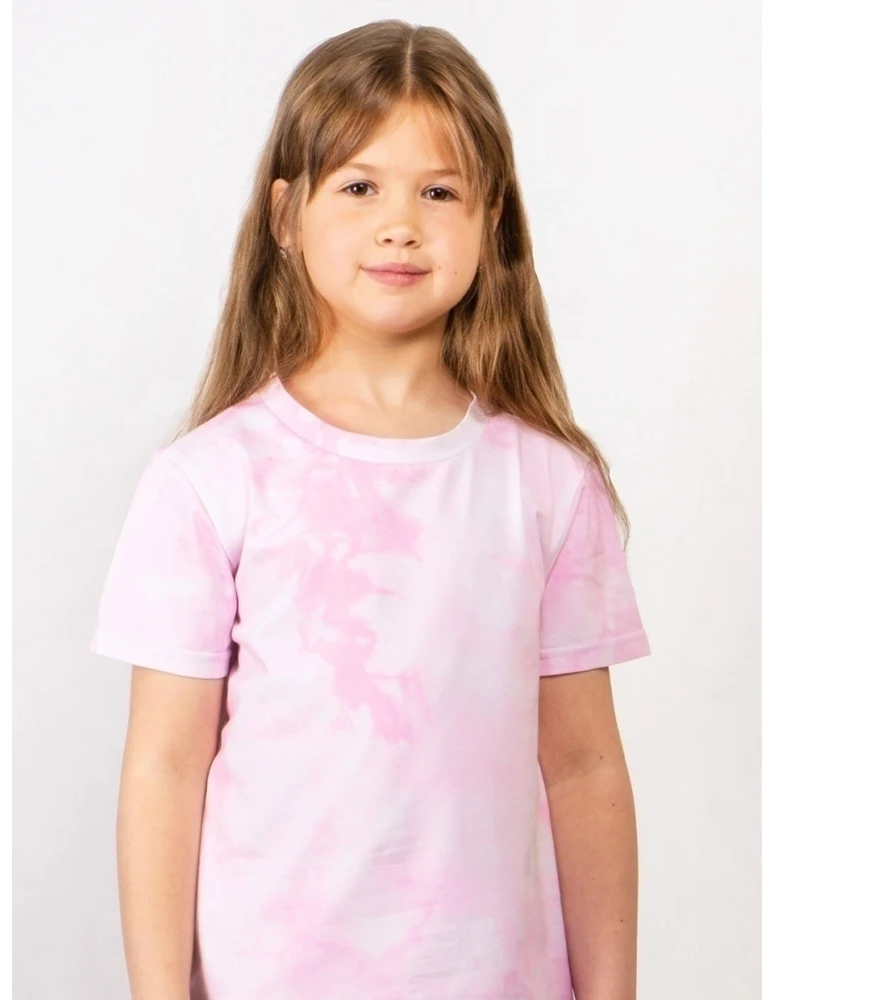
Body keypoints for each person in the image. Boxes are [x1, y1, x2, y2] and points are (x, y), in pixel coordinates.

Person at [90, 19, 651, 1000]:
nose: (401, 224)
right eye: (359, 187)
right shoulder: (209, 480)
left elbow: (583, 764)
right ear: (286, 214)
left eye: (439, 191)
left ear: (492, 219)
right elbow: (165, 770)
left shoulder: (549, 484)